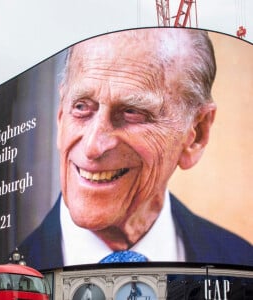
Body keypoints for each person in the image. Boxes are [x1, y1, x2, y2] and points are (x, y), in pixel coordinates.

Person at [19, 28, 253, 270]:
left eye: (132, 113)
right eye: (81, 107)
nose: (92, 146)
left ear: (196, 134)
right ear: (60, 116)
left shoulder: (243, 264)